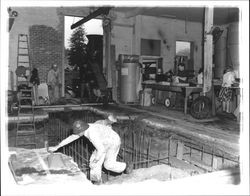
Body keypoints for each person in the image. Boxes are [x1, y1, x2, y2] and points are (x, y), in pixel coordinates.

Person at [49, 117, 132, 184]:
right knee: (94, 163)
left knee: (107, 164)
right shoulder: (84, 127)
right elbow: (71, 138)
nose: (77, 134)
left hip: (113, 141)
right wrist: (57, 147)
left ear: (81, 130)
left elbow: (101, 149)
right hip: (103, 141)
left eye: (78, 133)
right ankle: (97, 181)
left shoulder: (92, 134)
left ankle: (126, 166)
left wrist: (97, 158)